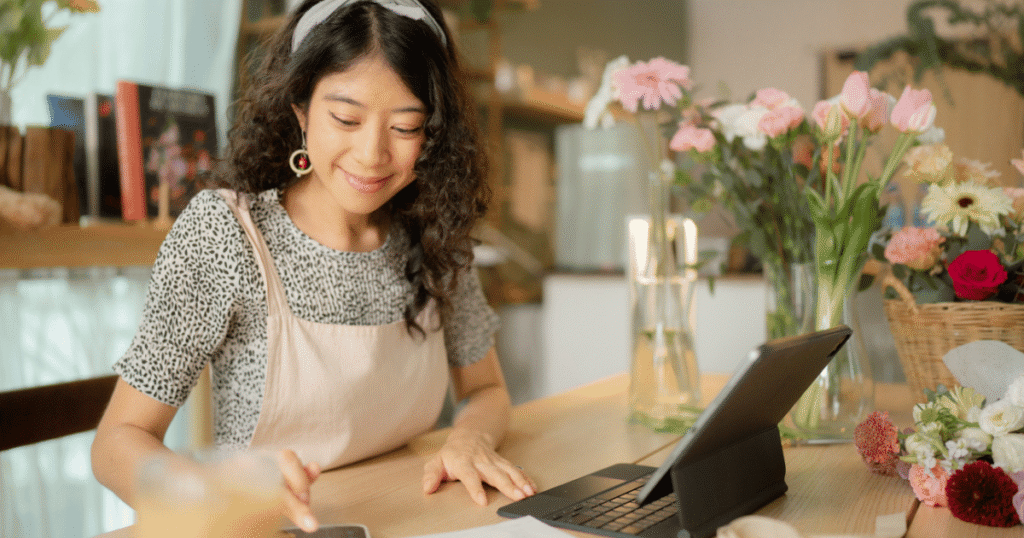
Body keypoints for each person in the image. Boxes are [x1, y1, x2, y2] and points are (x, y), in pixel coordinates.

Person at [90, 0, 536, 532]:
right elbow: (115, 444)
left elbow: (486, 391)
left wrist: (470, 437)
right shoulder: (227, 234)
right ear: (300, 108)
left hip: (409, 518)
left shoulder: (433, 233)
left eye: (405, 127)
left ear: (433, 131)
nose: (372, 154)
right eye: (345, 118)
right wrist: (202, 487)